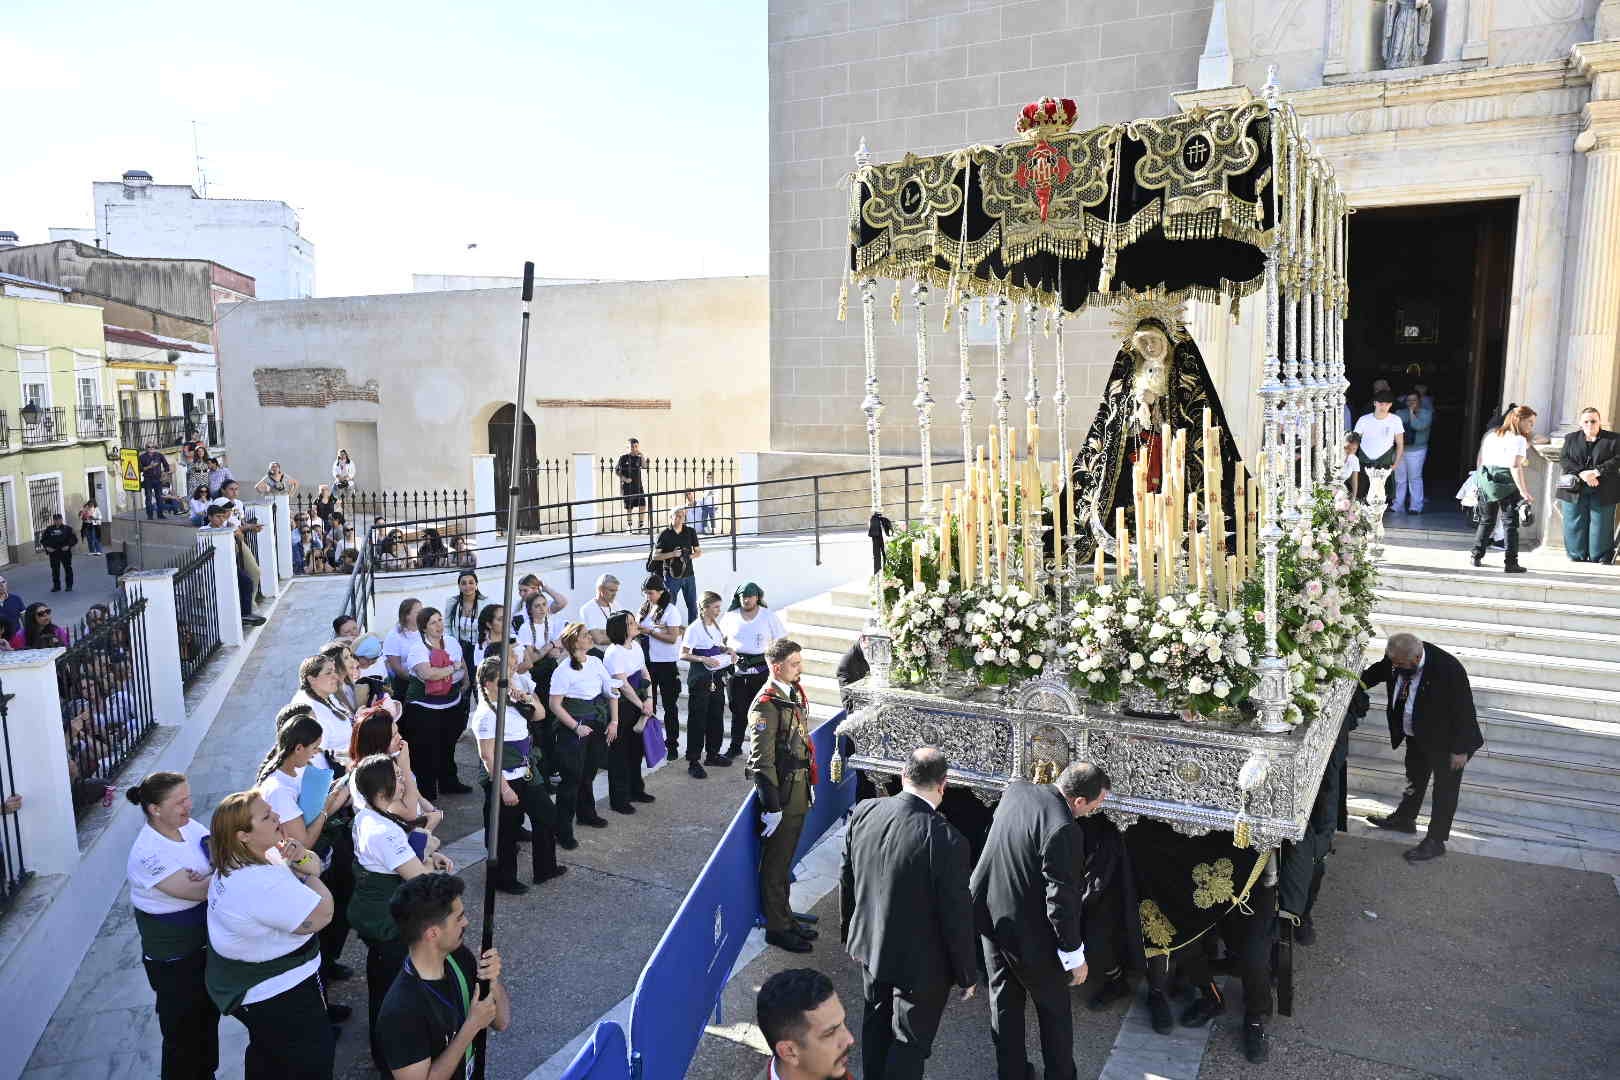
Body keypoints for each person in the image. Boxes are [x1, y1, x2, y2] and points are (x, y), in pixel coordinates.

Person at [839, 747, 976, 1080]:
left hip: (871, 946)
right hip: (921, 967)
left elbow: (847, 878)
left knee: (875, 1023)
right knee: (909, 1044)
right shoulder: (947, 840)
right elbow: (956, 915)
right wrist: (966, 974)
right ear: (943, 785)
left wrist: (851, 934)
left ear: (903, 775)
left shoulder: (865, 811)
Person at [970, 762, 1111, 1080]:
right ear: (1078, 801)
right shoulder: (1065, 829)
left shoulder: (1016, 791)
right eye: (1096, 804)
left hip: (992, 915)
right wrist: (1075, 956)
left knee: (1003, 1001)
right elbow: (1061, 900)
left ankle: (1012, 1072)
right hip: (1030, 934)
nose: (1094, 810)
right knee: (1054, 1012)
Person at [203, 790, 337, 1078]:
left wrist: (300, 858)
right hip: (280, 994)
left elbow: (313, 864)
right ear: (243, 835)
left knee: (268, 1056)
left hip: (261, 990)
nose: (277, 817)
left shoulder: (258, 854)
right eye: (266, 816)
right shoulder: (256, 882)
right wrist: (307, 876)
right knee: (310, 1062)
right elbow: (323, 913)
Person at [346, 754, 453, 1071]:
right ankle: (393, 1059)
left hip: (379, 924)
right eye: (396, 775)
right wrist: (426, 836)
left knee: (383, 982)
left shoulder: (371, 815)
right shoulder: (382, 831)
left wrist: (430, 853)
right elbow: (418, 879)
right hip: (389, 926)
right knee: (392, 993)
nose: (403, 779)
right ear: (381, 792)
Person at [255, 707, 357, 995]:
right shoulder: (278, 788)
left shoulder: (292, 772)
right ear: (297, 747)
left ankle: (329, 967)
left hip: (315, 860)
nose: (314, 755)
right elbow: (304, 841)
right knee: (320, 932)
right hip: (301, 870)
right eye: (312, 749)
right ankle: (322, 988)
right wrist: (327, 808)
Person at [125, 771, 219, 1080]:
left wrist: (208, 875)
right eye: (179, 802)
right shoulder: (148, 853)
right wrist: (209, 879)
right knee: (182, 1037)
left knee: (206, 1023)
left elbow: (220, 856)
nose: (188, 806)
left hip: (203, 947)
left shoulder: (189, 827)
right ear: (154, 809)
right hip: (175, 961)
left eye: (188, 797)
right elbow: (195, 890)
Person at [375, 873, 510, 1080]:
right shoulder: (401, 1010)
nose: (466, 922)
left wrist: (493, 980)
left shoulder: (461, 958)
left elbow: (501, 1022)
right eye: (458, 917)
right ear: (432, 933)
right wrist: (472, 1026)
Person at [1362, 632, 1484, 862]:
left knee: (1444, 790)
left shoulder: (1448, 668)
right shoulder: (1398, 655)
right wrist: (1355, 683)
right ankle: (1405, 819)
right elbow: (1378, 671)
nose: (1395, 667)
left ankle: (1436, 841)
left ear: (1417, 658)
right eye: (1394, 662)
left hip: (1447, 742)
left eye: (1400, 664)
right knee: (1414, 777)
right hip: (1417, 734)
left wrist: (1460, 750)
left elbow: (1464, 710)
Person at [472, 656, 565, 894]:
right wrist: (504, 788)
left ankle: (545, 868)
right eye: (504, 679)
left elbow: (541, 715)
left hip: (526, 772)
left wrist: (524, 697)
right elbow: (488, 756)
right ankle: (504, 879)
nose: (510, 681)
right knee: (507, 832)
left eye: (510, 677)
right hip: (507, 776)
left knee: (546, 815)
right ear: (488, 684)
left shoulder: (512, 702)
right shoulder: (486, 714)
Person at [750, 639, 816, 953]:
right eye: (794, 663)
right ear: (777, 667)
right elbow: (761, 761)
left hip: (799, 789)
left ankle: (786, 918)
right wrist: (772, 806)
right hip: (784, 794)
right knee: (775, 867)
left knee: (786, 861)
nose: (799, 668)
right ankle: (776, 928)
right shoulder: (766, 703)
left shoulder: (790, 693)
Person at [548, 622, 616, 839]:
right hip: (574, 728)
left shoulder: (595, 661)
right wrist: (576, 727)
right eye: (585, 635)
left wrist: (613, 720)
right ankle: (563, 830)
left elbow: (609, 690)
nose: (590, 637)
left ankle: (587, 813)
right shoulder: (563, 670)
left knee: (589, 773)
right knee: (571, 778)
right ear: (574, 641)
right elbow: (555, 705)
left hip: (595, 723)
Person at [402, 607, 468, 802]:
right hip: (424, 708)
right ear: (423, 627)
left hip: (451, 703)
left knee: (448, 746)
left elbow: (462, 664)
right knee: (425, 750)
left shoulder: (452, 642)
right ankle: (426, 790)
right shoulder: (417, 649)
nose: (439, 625)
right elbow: (428, 674)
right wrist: (452, 668)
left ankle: (449, 782)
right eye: (433, 622)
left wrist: (465, 680)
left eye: (440, 620)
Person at [721, 582, 786, 760]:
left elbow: (781, 641)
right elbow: (719, 640)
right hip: (737, 671)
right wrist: (728, 653)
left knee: (761, 711)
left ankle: (759, 749)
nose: (746, 600)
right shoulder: (730, 616)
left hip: (761, 671)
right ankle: (735, 746)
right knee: (737, 710)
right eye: (743, 596)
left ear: (757, 597)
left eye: (750, 596)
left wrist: (776, 664)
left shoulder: (768, 616)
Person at [757, 968, 856, 1080]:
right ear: (789, 1052)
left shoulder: (828, 1069)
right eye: (830, 1032)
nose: (850, 1039)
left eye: (843, 1022)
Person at [1471, 404, 1536, 573]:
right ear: (1518, 420)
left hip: (1487, 480)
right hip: (1507, 482)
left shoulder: (1492, 435)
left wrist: (1479, 482)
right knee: (1510, 524)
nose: (1531, 426)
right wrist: (1523, 491)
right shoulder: (1519, 439)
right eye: (1529, 422)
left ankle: (1476, 556)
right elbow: (1515, 466)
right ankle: (1510, 563)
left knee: (1486, 521)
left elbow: (1482, 460)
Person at [603, 611, 657, 813]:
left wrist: (650, 698)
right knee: (619, 754)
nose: (636, 625)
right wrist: (641, 704)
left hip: (640, 700)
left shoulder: (636, 645)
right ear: (621, 629)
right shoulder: (614, 652)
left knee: (636, 750)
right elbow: (623, 685)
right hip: (622, 705)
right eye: (631, 623)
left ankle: (636, 790)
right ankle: (619, 799)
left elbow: (644, 671)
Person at [441, 571, 487, 795]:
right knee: (461, 693)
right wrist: (452, 649)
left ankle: (483, 738)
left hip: (477, 651)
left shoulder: (485, 603)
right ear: (459, 585)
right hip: (459, 652)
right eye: (463, 583)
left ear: (476, 584)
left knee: (481, 695)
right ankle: (459, 727)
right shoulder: (453, 603)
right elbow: (447, 627)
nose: (467, 586)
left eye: (471, 582)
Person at [681, 590, 734, 777]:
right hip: (701, 677)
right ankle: (693, 760)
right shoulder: (695, 628)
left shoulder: (715, 625)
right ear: (704, 608)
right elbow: (684, 654)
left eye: (720, 606)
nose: (719, 610)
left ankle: (712, 753)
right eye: (716, 607)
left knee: (716, 716)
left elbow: (716, 645)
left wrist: (728, 650)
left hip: (716, 676)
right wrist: (703, 659)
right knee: (698, 720)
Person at [1558, 407, 1620, 564]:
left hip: (1603, 488)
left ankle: (1599, 556)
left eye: (1594, 421)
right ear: (1580, 423)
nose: (1590, 424)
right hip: (1575, 489)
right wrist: (1583, 474)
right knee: (1574, 521)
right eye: (1586, 421)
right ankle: (1576, 555)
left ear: (1600, 422)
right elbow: (1564, 459)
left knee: (1601, 524)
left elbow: (1617, 459)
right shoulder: (1570, 438)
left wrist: (1597, 472)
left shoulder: (1614, 439)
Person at [638, 576, 684, 764]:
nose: (648, 596)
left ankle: (672, 744)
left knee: (669, 706)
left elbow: (673, 637)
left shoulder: (671, 610)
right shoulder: (646, 608)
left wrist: (650, 632)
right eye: (646, 593)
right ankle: (650, 743)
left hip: (665, 662)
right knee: (648, 704)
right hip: (647, 661)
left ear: (661, 591)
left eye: (651, 593)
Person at [201, 499, 266, 627]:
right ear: (210, 517)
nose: (220, 519)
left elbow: (240, 539)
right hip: (216, 566)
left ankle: (246, 613)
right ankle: (243, 613)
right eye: (218, 517)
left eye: (222, 516)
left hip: (230, 563)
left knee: (246, 582)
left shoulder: (227, 526)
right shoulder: (204, 530)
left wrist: (236, 531)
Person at [1353, 390, 1405, 505]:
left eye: (1387, 404)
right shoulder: (1364, 420)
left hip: (1384, 462)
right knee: (1361, 495)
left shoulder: (1395, 420)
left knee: (1381, 498)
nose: (1384, 407)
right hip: (1364, 461)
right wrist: (1351, 460)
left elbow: (1400, 444)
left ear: (1390, 405)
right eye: (1381, 403)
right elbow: (1354, 442)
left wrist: (1395, 464)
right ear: (1375, 403)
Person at [651, 506, 702, 622]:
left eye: (682, 516)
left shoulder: (690, 531)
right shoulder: (664, 534)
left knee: (693, 607)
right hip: (671, 577)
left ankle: (692, 632)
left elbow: (698, 552)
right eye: (677, 516)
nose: (680, 518)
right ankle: (668, 629)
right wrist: (673, 554)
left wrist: (688, 556)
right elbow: (655, 556)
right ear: (671, 518)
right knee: (669, 606)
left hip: (689, 575)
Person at [1393, 390, 1432, 513]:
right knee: (1399, 478)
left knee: (1414, 478)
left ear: (1419, 401)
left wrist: (1411, 412)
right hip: (1400, 449)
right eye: (1408, 400)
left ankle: (1415, 506)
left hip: (1417, 450)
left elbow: (1418, 426)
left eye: (1414, 400)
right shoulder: (1399, 413)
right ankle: (1397, 505)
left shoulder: (1426, 413)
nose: (1411, 403)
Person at [383, 598, 423, 700]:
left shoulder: (425, 629)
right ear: (407, 616)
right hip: (405, 682)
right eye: (418, 612)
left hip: (428, 678)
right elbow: (397, 668)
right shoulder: (394, 635)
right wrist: (418, 680)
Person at [579, 573, 619, 650]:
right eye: (611, 590)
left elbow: (627, 631)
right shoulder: (587, 609)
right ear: (601, 589)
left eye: (616, 591)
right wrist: (620, 637)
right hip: (598, 656)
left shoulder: (617, 606)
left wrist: (604, 632)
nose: (614, 594)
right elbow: (598, 639)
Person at [39, 512, 77, 592]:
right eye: (55, 520)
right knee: (55, 570)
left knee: (67, 569)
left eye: (59, 519)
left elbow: (74, 539)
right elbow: (43, 540)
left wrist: (68, 546)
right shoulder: (49, 529)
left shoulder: (68, 529)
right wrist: (47, 548)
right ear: (53, 520)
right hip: (54, 552)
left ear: (62, 520)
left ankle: (69, 586)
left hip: (65, 552)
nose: (57, 521)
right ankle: (56, 586)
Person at [616, 436, 647, 533]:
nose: (634, 448)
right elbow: (617, 471)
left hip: (638, 487)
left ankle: (640, 527)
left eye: (635, 446)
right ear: (628, 447)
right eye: (632, 447)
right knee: (629, 508)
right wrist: (624, 479)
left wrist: (642, 455)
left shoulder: (638, 458)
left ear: (638, 447)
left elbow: (645, 466)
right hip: (628, 488)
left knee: (643, 505)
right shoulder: (623, 458)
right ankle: (630, 527)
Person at [139, 440, 172, 520]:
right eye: (149, 447)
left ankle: (160, 514)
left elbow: (166, 466)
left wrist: (164, 474)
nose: (151, 448)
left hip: (158, 479)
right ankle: (150, 516)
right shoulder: (142, 457)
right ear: (146, 448)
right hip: (148, 479)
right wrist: (149, 467)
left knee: (159, 497)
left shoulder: (159, 455)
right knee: (149, 498)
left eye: (153, 447)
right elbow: (140, 469)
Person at [1338, 431, 1366, 501]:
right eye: (1347, 448)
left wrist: (1353, 499)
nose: (1350, 452)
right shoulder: (1333, 454)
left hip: (1342, 491)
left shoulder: (1354, 459)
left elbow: (1354, 481)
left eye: (1354, 449)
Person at [0, 575, 24, 641]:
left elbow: (25, 620)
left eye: (3, 582)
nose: (2, 585)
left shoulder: (16, 599)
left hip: (17, 638)